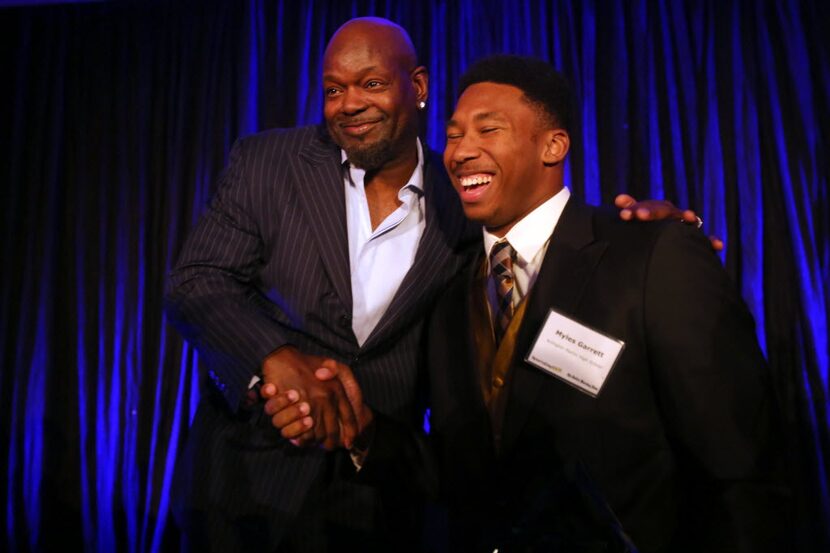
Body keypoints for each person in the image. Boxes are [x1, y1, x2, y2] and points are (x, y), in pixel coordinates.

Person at [166, 15, 705, 551]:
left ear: (417, 87)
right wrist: (274, 361)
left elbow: (548, 238)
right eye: (334, 89)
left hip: (382, 496)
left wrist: (642, 229)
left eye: (371, 83)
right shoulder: (269, 163)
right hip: (247, 482)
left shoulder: (468, 200)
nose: (349, 103)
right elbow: (196, 281)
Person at [273, 55, 789, 552]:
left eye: (487, 130)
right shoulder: (451, 296)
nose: (459, 152)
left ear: (554, 146)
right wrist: (365, 432)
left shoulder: (652, 251)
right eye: (453, 135)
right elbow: (464, 474)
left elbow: (739, 464)